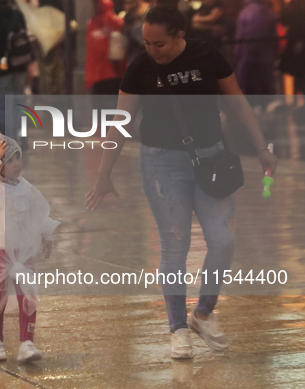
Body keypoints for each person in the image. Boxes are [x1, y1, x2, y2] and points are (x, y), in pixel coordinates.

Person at [84, 0, 278, 359]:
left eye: (159, 43)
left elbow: (237, 102)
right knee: (175, 245)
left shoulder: (207, 55)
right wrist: (103, 175)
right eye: (146, 43)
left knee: (223, 240)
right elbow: (120, 124)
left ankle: (202, 314)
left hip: (212, 159)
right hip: (162, 165)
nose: (151, 50)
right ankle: (177, 329)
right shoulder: (140, 67)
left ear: (179, 36)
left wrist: (262, 147)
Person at [0, 130, 59, 363]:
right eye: (10, 160)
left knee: (27, 293)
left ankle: (27, 342)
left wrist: (47, 234)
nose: (17, 164)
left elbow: (36, 213)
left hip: (21, 252)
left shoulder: (23, 186)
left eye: (18, 158)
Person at [0, 1, 31, 141]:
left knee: (3, 102)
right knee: (18, 99)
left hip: (2, 68)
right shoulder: (17, 13)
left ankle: (10, 136)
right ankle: (20, 134)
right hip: (20, 64)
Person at [234, 0, 278, 103]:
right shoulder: (269, 13)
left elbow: (239, 36)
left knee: (249, 83)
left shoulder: (245, 12)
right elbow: (274, 37)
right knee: (264, 82)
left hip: (247, 54)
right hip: (265, 53)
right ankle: (265, 106)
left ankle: (252, 108)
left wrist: (237, 53)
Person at [85, 0, 128, 95]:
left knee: (100, 103)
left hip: (99, 73)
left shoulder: (91, 22)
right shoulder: (117, 21)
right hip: (114, 71)